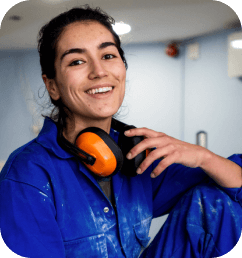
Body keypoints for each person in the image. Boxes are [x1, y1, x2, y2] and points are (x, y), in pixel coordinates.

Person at [0, 5, 242, 258]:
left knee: (218, 204)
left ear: (123, 68)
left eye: (108, 56)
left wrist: (203, 156)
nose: (99, 71)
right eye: (77, 61)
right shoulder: (27, 175)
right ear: (52, 86)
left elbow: (236, 188)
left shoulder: (134, 156)